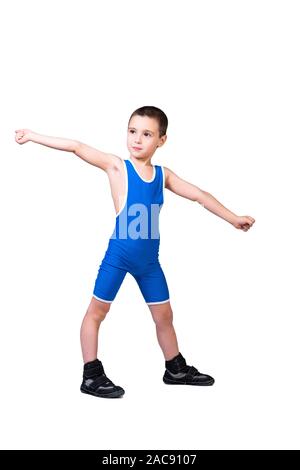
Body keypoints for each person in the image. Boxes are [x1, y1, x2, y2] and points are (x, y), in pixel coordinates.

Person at [15, 105, 255, 399]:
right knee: (97, 312)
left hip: (149, 263)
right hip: (118, 256)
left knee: (164, 315)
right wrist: (33, 135)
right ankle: (91, 374)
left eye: (146, 134)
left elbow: (199, 196)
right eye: (132, 131)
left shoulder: (162, 176)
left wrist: (234, 219)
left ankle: (175, 368)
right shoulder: (117, 167)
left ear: (161, 140)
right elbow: (76, 147)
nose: (137, 139)